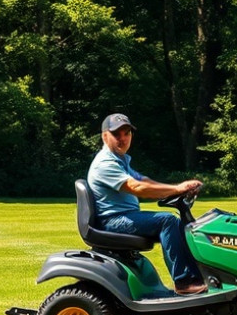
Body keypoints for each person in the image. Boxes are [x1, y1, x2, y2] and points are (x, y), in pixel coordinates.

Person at [87, 113, 208, 296]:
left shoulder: (120, 160)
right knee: (167, 221)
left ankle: (200, 277)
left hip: (123, 216)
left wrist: (178, 189)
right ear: (105, 136)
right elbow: (137, 187)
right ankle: (184, 282)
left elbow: (144, 180)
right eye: (116, 134)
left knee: (183, 223)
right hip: (112, 221)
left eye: (126, 133)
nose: (123, 138)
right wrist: (176, 189)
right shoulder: (105, 163)